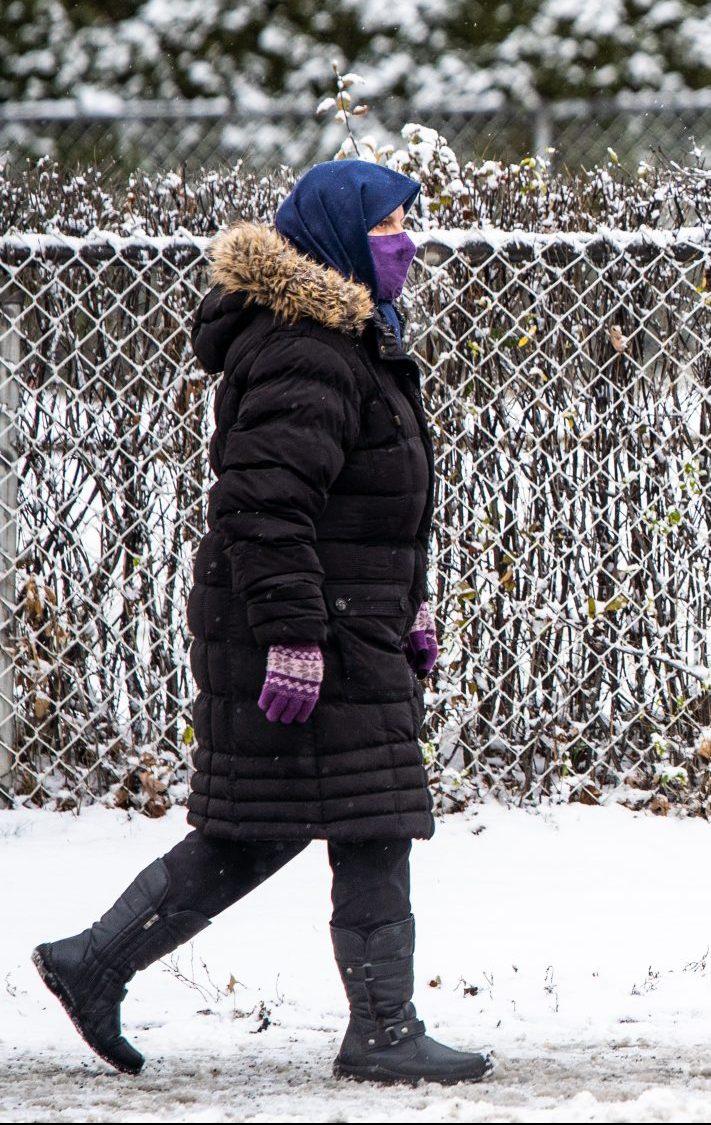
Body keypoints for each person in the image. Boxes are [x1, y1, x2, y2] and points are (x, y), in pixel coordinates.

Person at [31, 161, 490, 1085]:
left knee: (278, 823)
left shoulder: (350, 340)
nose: (406, 239)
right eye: (390, 222)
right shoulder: (309, 347)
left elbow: (370, 504)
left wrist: (413, 603)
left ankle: (95, 961)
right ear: (339, 235)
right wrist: (292, 635)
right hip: (309, 627)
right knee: (366, 818)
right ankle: (383, 1031)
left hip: (348, 620)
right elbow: (265, 506)